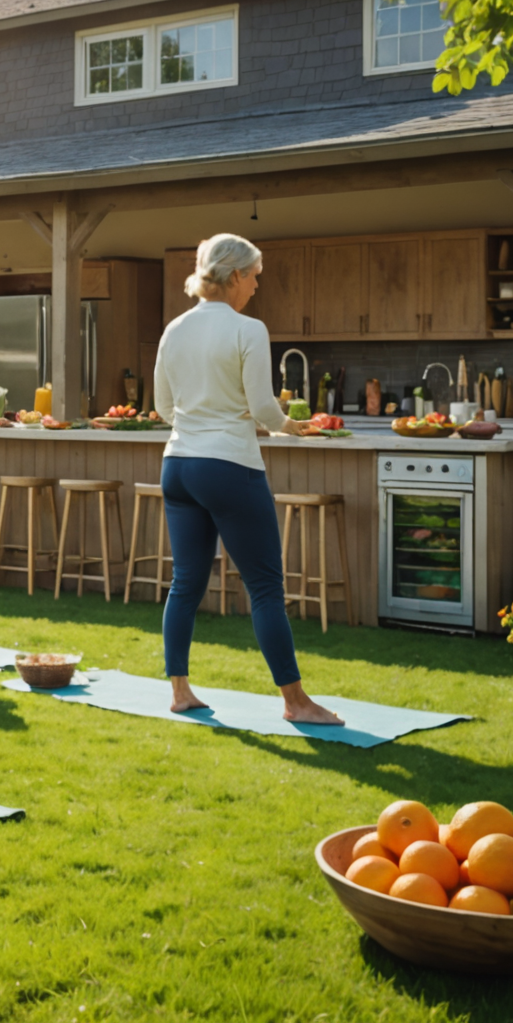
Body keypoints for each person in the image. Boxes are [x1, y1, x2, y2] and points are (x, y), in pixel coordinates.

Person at [154, 234, 342, 725]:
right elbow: (263, 407)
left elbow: (162, 407)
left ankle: (180, 691)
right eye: (255, 276)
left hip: (178, 466)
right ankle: (296, 702)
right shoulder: (248, 330)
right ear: (235, 275)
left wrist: (201, 418)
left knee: (186, 582)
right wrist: (290, 425)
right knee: (264, 588)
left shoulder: (173, 329)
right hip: (229, 465)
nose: (257, 286)